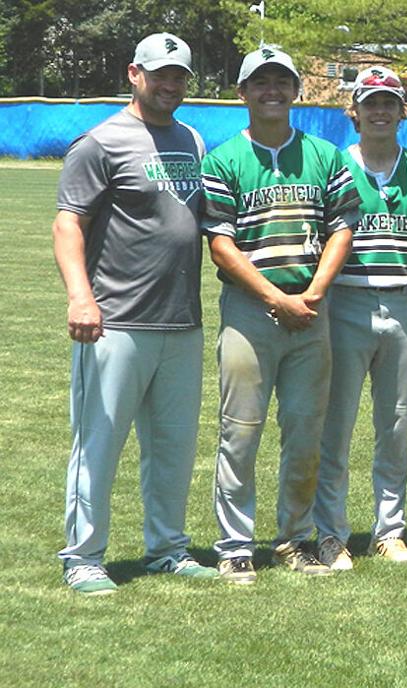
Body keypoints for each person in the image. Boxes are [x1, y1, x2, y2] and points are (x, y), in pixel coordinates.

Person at [54, 32, 216, 595]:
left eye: (179, 76)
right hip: (115, 321)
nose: (170, 84)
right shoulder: (99, 143)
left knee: (173, 448)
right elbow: (68, 224)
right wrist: (80, 296)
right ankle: (83, 557)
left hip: (182, 319)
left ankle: (167, 549)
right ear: (134, 74)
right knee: (97, 444)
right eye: (160, 73)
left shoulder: (192, 139)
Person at [202, 46, 362, 583]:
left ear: (296, 90)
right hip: (250, 312)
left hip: (311, 311)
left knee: (305, 433)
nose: (272, 90)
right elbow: (220, 245)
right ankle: (235, 545)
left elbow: (342, 228)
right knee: (240, 433)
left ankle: (294, 538)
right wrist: (275, 298)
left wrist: (313, 293)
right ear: (242, 92)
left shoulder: (324, 155)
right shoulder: (225, 159)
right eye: (260, 82)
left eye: (281, 82)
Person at [310, 66, 407, 570]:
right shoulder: (334, 167)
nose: (380, 111)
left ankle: (389, 531)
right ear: (355, 112)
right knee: (337, 424)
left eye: (389, 102)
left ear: (404, 111)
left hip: (402, 304)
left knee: (395, 425)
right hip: (346, 302)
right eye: (371, 103)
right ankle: (331, 532)